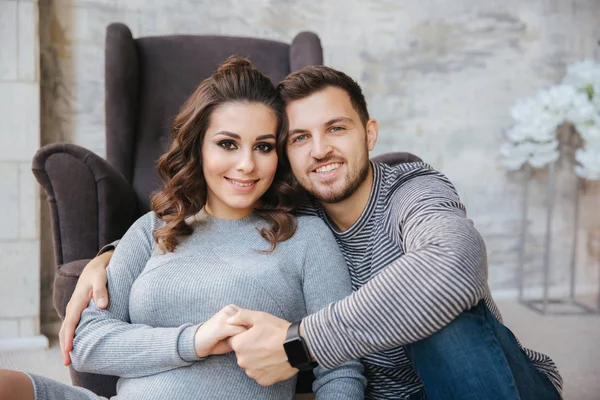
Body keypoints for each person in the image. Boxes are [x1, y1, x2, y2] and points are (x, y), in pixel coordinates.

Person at [58, 65, 563, 400]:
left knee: (441, 313)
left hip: (489, 384)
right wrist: (113, 253)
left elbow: (452, 268)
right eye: (299, 137)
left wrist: (298, 345)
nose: (319, 150)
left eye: (337, 129)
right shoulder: (296, 211)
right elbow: (214, 223)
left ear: (369, 133)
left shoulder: (412, 190)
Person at [0, 57, 366, 400]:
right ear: (199, 148)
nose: (246, 165)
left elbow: (342, 371)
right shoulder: (153, 228)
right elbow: (86, 345)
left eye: (264, 147)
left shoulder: (305, 238)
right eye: (227, 144)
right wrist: (196, 341)